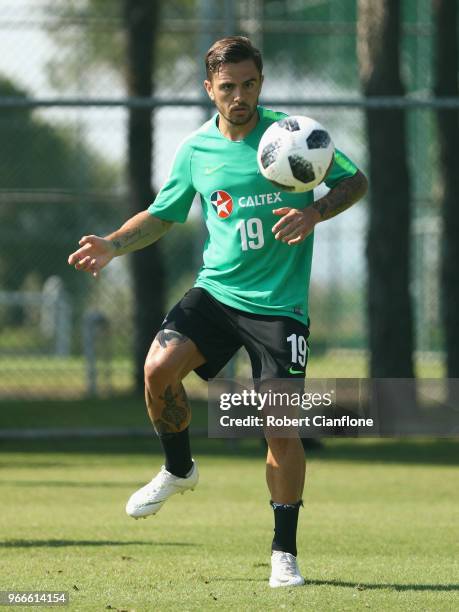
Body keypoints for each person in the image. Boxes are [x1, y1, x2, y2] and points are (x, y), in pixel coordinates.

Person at [68, 36, 367, 588]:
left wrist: (315, 213)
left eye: (249, 84)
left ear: (261, 82)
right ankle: (179, 468)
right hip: (217, 293)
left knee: (279, 426)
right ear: (209, 89)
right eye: (227, 87)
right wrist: (112, 244)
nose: (239, 96)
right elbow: (163, 215)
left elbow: (355, 180)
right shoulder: (196, 150)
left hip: (279, 308)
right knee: (157, 372)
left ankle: (284, 553)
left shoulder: (293, 135)